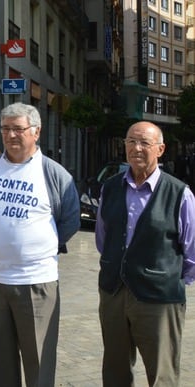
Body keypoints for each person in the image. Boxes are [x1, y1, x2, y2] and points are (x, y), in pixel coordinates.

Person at [0, 102, 80, 387]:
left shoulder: (54, 174)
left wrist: (39, 248)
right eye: (6, 129)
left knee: (38, 360)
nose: (10, 135)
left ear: (36, 131)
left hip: (37, 282)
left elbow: (69, 221)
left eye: (18, 129)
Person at [95, 121, 195, 386]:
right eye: (131, 141)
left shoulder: (179, 193)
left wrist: (164, 278)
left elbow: (191, 252)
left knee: (162, 374)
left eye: (144, 143)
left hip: (159, 299)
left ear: (160, 149)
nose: (136, 148)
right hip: (114, 292)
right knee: (114, 370)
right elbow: (103, 239)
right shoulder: (111, 187)